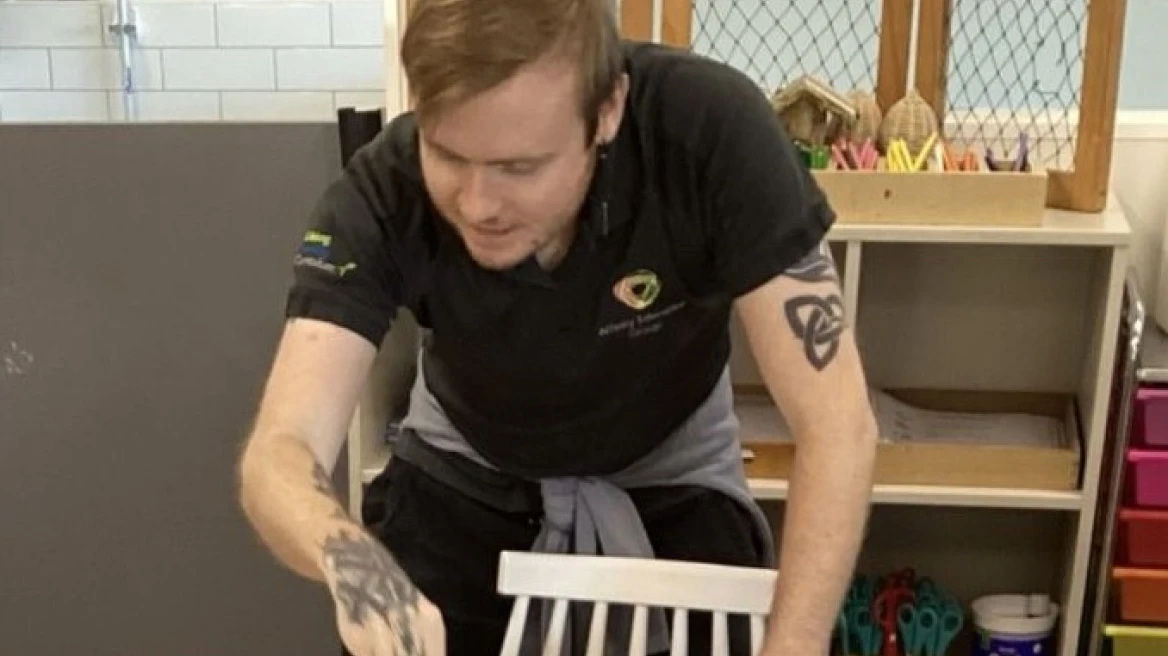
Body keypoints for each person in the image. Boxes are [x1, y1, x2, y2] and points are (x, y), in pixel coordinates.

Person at [237, 0, 878, 654]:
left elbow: (838, 427)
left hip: (671, 460)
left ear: (608, 111)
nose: (478, 205)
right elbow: (281, 447)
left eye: (520, 167)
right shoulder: (384, 187)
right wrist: (352, 563)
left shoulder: (713, 132)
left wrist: (795, 646)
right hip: (467, 457)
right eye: (447, 155)